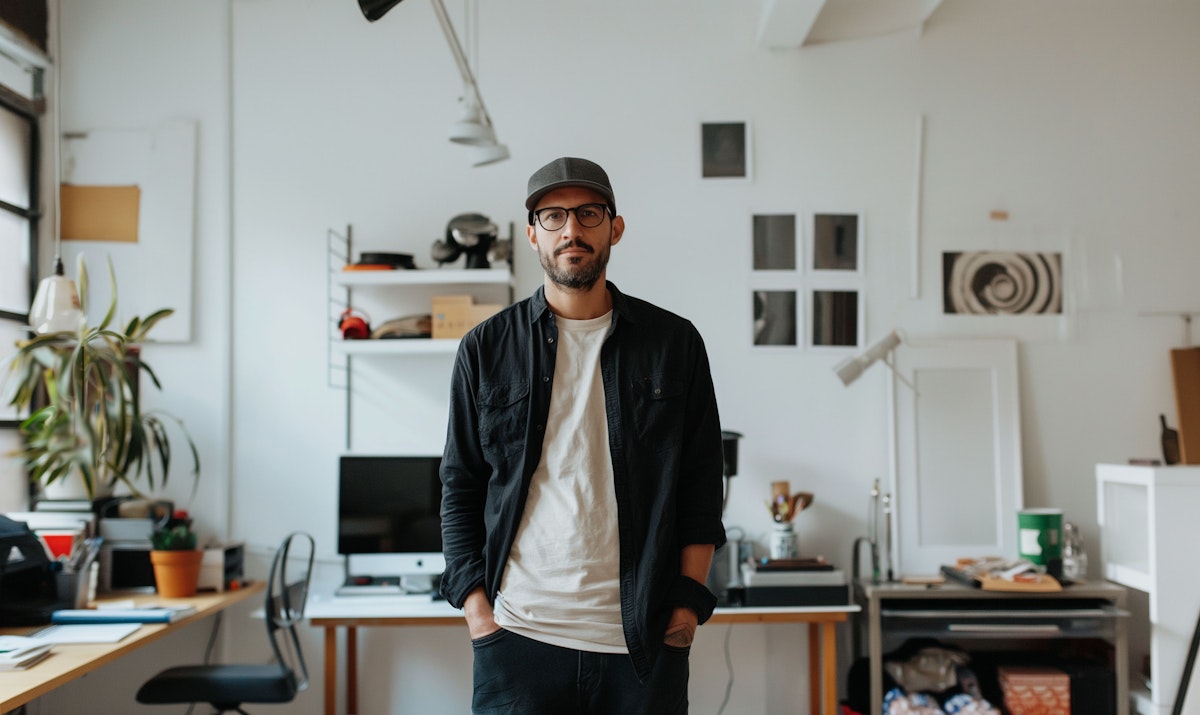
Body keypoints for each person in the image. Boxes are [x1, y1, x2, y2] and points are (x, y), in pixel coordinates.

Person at [439, 156, 727, 714]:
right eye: (553, 217)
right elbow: (459, 486)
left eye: (588, 213)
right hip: (518, 639)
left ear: (614, 228)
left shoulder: (674, 343)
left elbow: (699, 483)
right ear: (532, 235)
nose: (571, 229)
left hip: (642, 642)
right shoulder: (485, 349)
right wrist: (478, 612)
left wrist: (686, 607)